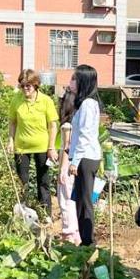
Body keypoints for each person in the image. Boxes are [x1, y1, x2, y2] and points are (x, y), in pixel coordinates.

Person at [8, 69, 59, 214]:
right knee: (22, 181)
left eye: (28, 86)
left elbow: (52, 125)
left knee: (43, 180)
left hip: (42, 146)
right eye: (22, 85)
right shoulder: (16, 100)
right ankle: (23, 212)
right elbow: (12, 122)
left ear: (36, 85)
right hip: (22, 147)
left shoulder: (46, 101)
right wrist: (10, 141)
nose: (25, 89)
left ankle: (45, 213)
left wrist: (51, 147)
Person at [68, 65, 102, 246]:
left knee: (85, 200)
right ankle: (85, 239)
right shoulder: (85, 103)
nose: (71, 82)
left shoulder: (88, 104)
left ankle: (88, 241)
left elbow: (85, 135)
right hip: (84, 157)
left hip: (86, 158)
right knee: (80, 200)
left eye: (74, 79)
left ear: (83, 81)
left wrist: (75, 161)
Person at [57, 89, 81, 245]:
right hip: (76, 165)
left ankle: (69, 233)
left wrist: (61, 170)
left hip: (68, 166)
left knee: (65, 200)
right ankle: (76, 233)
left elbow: (67, 146)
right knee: (73, 200)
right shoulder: (78, 122)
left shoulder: (67, 125)